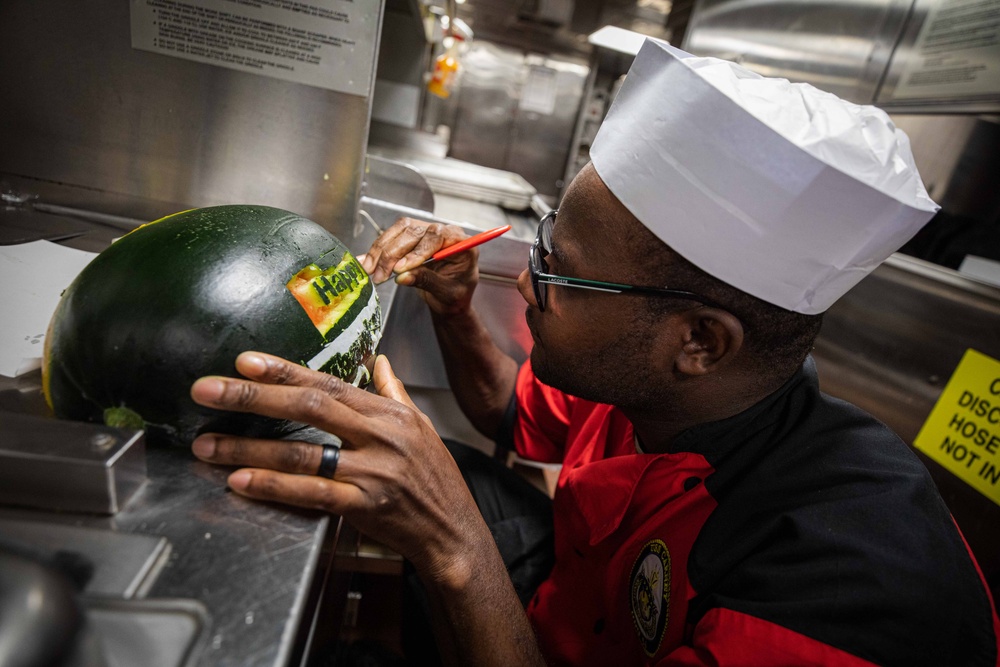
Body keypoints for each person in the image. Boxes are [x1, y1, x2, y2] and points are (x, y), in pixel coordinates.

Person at [188, 40, 1000, 665]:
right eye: (547, 245)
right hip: (563, 612)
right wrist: (458, 309)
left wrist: (455, 546)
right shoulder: (659, 389)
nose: (532, 281)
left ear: (699, 342)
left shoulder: (844, 595)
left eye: (564, 273)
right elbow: (506, 410)